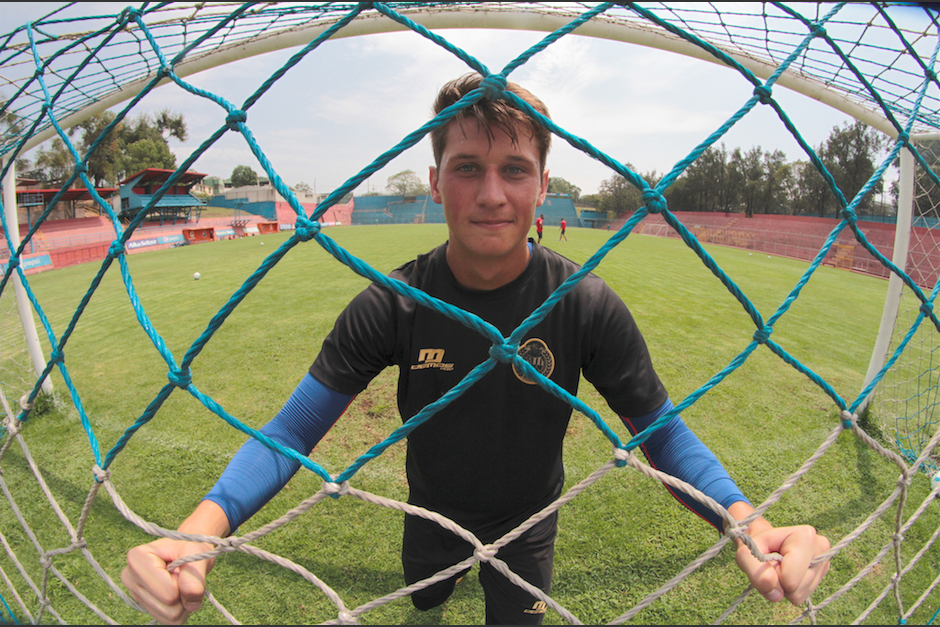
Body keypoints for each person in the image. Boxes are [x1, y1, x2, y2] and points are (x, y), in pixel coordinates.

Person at [122, 73, 830, 625]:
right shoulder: (394, 302)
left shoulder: (583, 302)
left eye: (514, 169)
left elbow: (662, 433)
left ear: (543, 186)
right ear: (434, 183)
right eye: (466, 167)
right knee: (425, 602)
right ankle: (437, 581)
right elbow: (289, 432)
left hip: (528, 525)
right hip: (431, 510)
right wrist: (197, 532)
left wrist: (752, 523)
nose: (491, 193)